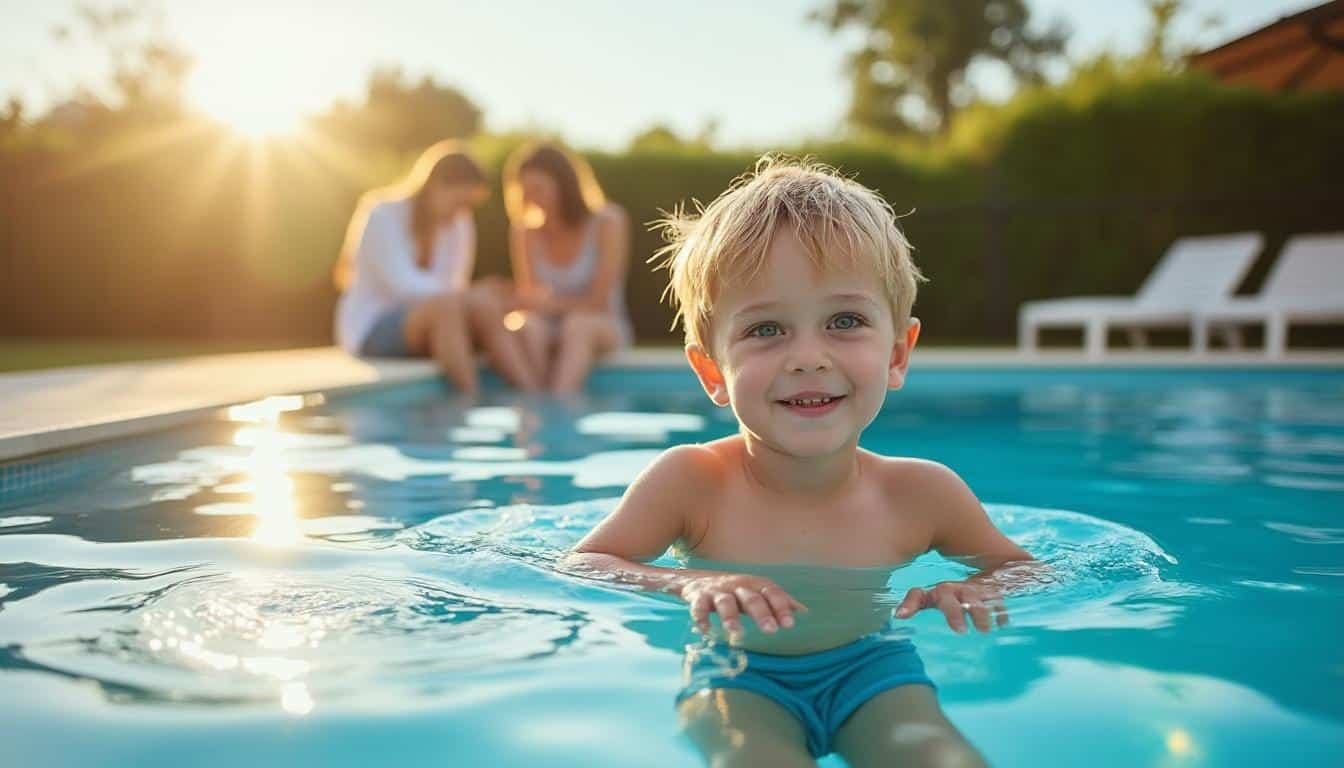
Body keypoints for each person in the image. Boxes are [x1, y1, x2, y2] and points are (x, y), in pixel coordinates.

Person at [564, 157, 1038, 766]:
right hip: (735, 673)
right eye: (766, 329)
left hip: (875, 672)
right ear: (712, 370)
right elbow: (586, 564)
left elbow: (1025, 569)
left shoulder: (921, 494)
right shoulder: (692, 482)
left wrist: (972, 587)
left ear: (897, 354)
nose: (808, 357)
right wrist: (688, 583)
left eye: (845, 321)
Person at [335, 141, 539, 393]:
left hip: (435, 322)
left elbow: (456, 284)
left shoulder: (459, 222)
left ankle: (532, 394)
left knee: (484, 305)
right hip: (372, 329)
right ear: (435, 185)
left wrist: (487, 297)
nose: (462, 212)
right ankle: (469, 398)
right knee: (449, 307)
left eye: (468, 205)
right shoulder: (382, 215)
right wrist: (470, 294)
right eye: (459, 201)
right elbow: (404, 285)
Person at [503, 142, 633, 394]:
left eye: (538, 189)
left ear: (563, 186)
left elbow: (599, 300)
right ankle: (532, 402)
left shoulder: (608, 221)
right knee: (527, 328)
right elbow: (530, 298)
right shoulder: (524, 232)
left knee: (577, 326)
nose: (531, 199)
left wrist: (546, 305)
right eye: (525, 191)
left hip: (602, 323)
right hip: (546, 327)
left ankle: (560, 405)